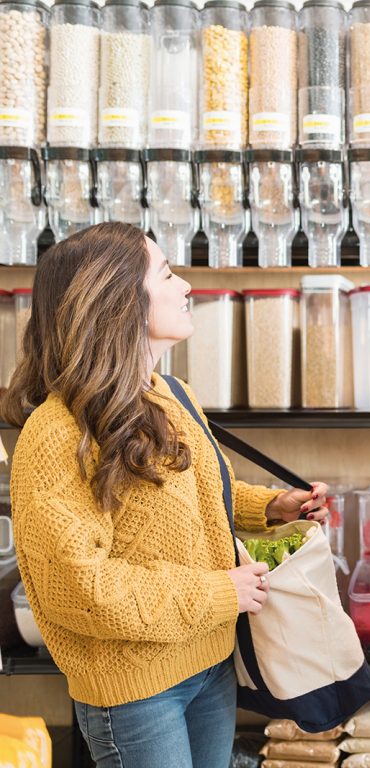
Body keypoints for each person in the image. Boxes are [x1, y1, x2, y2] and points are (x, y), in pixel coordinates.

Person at [3, 223, 330, 768]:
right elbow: (79, 589)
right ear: (116, 300)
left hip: (208, 662)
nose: (186, 287)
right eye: (168, 273)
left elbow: (196, 495)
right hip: (137, 690)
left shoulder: (171, 394)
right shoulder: (55, 435)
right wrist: (218, 594)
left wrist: (270, 507)